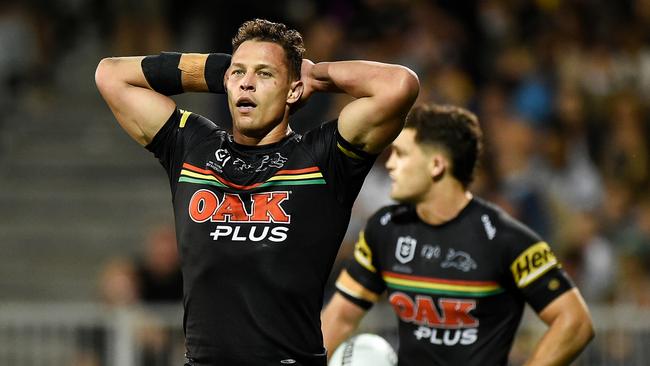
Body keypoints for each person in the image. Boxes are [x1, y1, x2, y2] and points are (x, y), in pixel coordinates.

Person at [95, 18, 419, 366]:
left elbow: (399, 84)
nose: (247, 83)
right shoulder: (193, 147)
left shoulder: (322, 157)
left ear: (293, 90)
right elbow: (110, 74)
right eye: (238, 73)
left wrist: (316, 75)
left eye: (265, 74)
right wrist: (220, 69)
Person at [321, 104, 594, 365]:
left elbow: (575, 322)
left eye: (401, 154)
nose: (390, 164)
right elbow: (340, 317)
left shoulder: (505, 239)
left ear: (436, 165)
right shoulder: (384, 230)